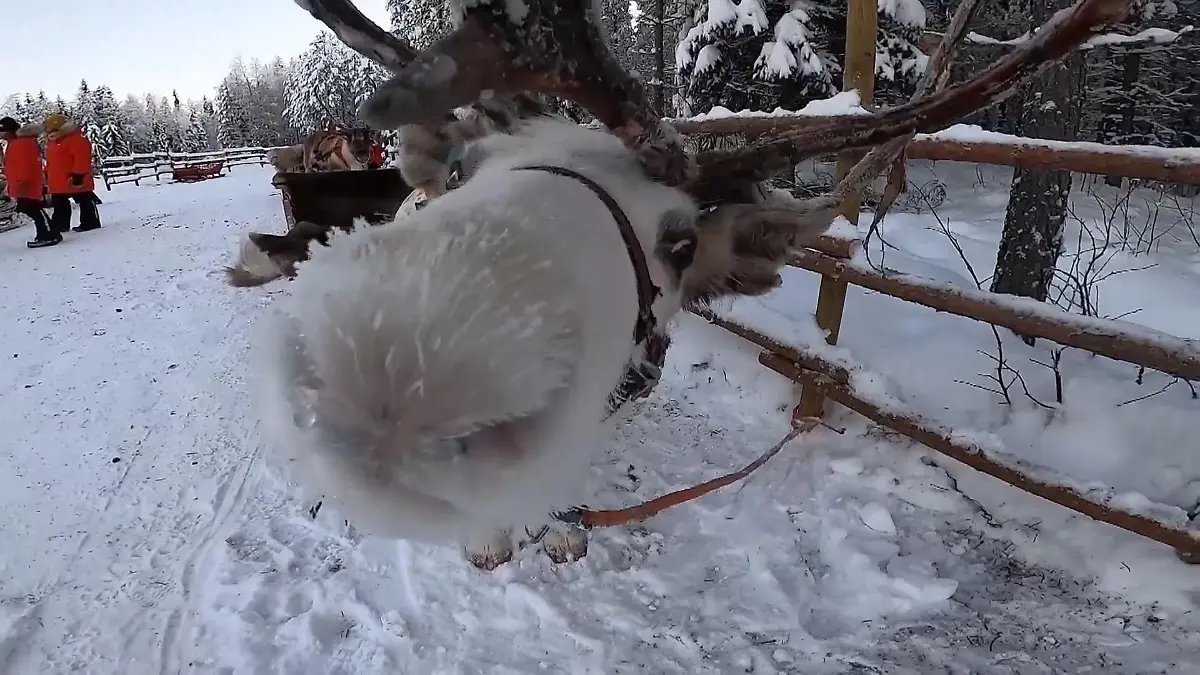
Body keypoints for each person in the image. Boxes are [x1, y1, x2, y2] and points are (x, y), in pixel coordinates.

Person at [0, 116, 59, 247]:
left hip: (25, 183)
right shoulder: (17, 143)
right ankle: (48, 232)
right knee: (31, 207)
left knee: (32, 208)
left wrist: (21, 181)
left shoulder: (21, 143)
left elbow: (25, 164)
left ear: (9, 131)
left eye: (2, 131)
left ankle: (49, 234)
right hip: (22, 182)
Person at [43, 113, 101, 233]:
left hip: (75, 177)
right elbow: (51, 162)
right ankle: (60, 225)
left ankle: (90, 222)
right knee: (60, 202)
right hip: (58, 179)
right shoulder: (52, 143)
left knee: (85, 199)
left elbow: (82, 158)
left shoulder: (76, 139)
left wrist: (78, 174)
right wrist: (46, 174)